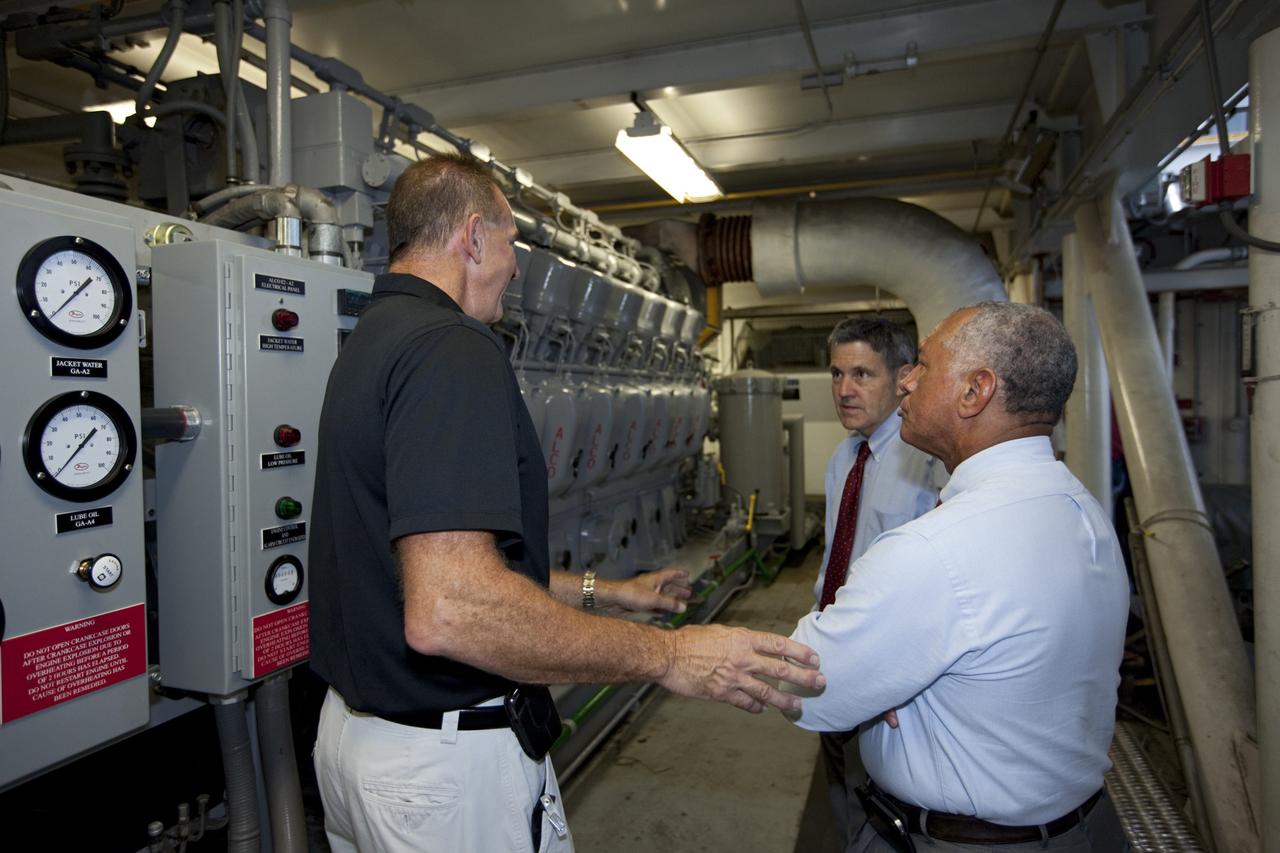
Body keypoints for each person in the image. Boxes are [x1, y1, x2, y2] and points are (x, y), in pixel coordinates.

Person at [308, 153, 824, 853]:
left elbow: (429, 564)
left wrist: (606, 591)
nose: (516, 267)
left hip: (358, 744)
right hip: (446, 772)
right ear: (472, 237)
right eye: (512, 242)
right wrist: (670, 656)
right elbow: (453, 608)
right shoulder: (452, 348)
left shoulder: (369, 344)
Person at [790, 302, 1130, 852]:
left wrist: (872, 665)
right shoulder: (1081, 510)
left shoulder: (937, 546)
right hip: (1073, 827)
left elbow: (810, 684)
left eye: (922, 364)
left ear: (975, 391)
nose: (908, 383)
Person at [815, 318, 943, 848]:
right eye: (837, 373)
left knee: (890, 811)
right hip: (836, 656)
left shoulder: (930, 464)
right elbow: (834, 564)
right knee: (844, 794)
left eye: (863, 374)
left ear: (903, 377)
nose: (845, 389)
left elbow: (937, 588)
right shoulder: (844, 457)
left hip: (892, 676)